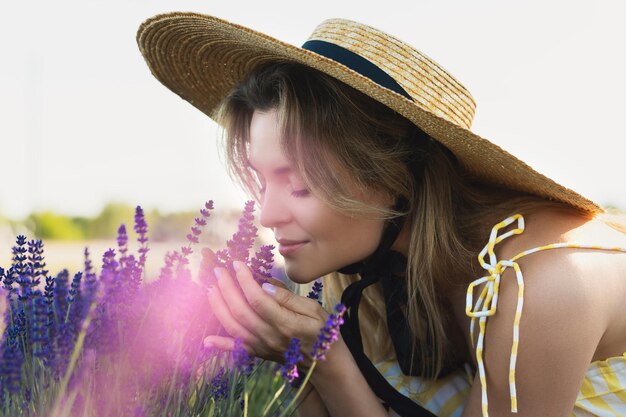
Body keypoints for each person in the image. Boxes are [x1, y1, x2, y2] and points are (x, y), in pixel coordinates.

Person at [137, 13, 626, 417]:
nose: (266, 213)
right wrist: (296, 362)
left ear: (392, 176)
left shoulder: (544, 285)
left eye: (301, 184)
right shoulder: (369, 278)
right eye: (262, 181)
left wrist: (326, 361)